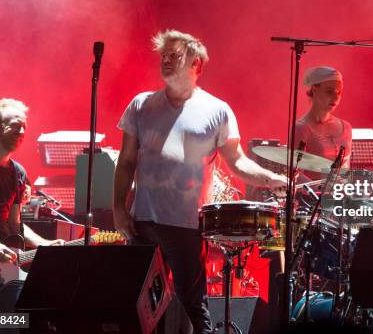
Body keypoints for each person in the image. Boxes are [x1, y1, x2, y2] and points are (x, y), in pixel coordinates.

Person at [112, 29, 288, 334]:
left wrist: (271, 178)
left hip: (186, 225)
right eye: (163, 56)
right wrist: (118, 208)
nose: (166, 61)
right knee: (137, 304)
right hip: (142, 221)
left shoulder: (216, 110)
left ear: (197, 64)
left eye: (175, 56)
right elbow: (126, 161)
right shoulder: (141, 105)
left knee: (194, 303)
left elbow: (237, 161)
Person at [0, 98, 64, 313]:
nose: (23, 130)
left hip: (3, 261)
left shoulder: (18, 172)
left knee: (42, 298)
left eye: (25, 126)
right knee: (6, 317)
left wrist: (45, 245)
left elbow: (15, 226)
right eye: (17, 124)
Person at [295, 66, 352, 179]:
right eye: (329, 92)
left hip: (341, 194)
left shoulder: (346, 127)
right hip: (313, 195)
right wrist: (320, 192)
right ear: (315, 90)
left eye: (339, 92)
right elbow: (296, 174)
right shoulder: (301, 128)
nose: (336, 97)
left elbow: (346, 169)